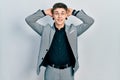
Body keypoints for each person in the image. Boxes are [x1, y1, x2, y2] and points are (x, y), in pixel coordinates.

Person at [25, 2, 94, 80]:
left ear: (66, 16)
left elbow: (90, 21)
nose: (59, 16)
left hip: (68, 71)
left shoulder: (73, 31)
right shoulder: (45, 30)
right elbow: (29, 20)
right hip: (51, 71)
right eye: (56, 13)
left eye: (62, 13)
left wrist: (74, 12)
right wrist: (45, 12)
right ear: (53, 16)